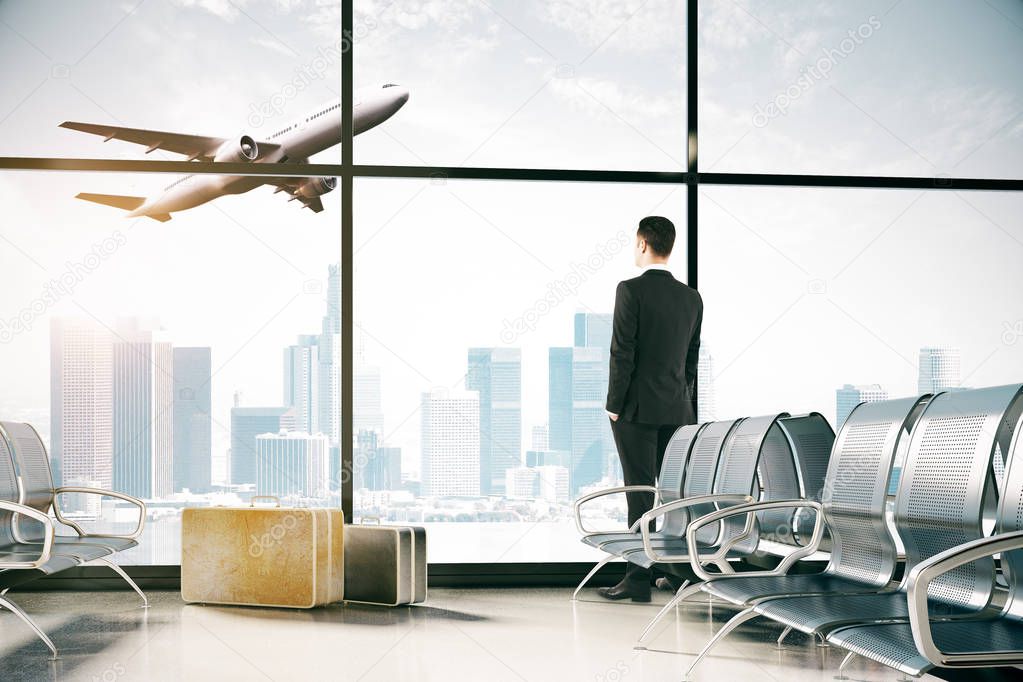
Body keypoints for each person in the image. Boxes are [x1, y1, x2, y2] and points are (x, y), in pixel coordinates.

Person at [598, 215, 703, 602]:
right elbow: (691, 361)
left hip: (636, 410)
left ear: (642, 243)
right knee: (673, 494)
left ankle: (638, 579)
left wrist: (614, 405)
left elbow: (621, 352)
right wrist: (684, 402)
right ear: (670, 246)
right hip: (678, 411)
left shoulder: (630, 290)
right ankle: (672, 573)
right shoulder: (692, 298)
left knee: (639, 492)